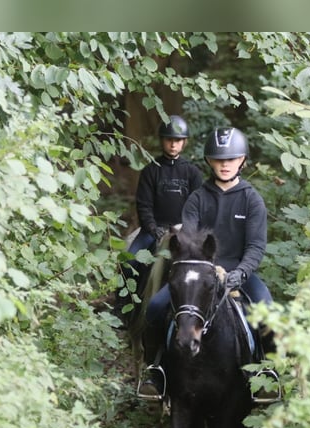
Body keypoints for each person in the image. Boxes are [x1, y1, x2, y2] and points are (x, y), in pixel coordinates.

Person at [137, 126, 278, 401]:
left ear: (242, 161)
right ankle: (155, 371)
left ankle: (265, 374)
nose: (225, 165)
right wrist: (200, 269)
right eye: (219, 159)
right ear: (209, 162)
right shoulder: (197, 199)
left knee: (269, 314)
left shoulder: (252, 200)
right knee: (154, 308)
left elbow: (256, 246)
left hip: (240, 273)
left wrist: (240, 273)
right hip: (198, 273)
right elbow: (188, 240)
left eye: (231, 159)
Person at [117, 115, 203, 321]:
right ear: (162, 140)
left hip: (183, 232)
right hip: (153, 229)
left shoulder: (192, 173)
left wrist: (187, 229)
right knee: (129, 262)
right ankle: (121, 310)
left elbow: (198, 206)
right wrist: (153, 228)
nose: (173, 144)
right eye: (169, 139)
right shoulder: (150, 171)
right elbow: (144, 205)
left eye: (178, 140)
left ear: (184, 142)